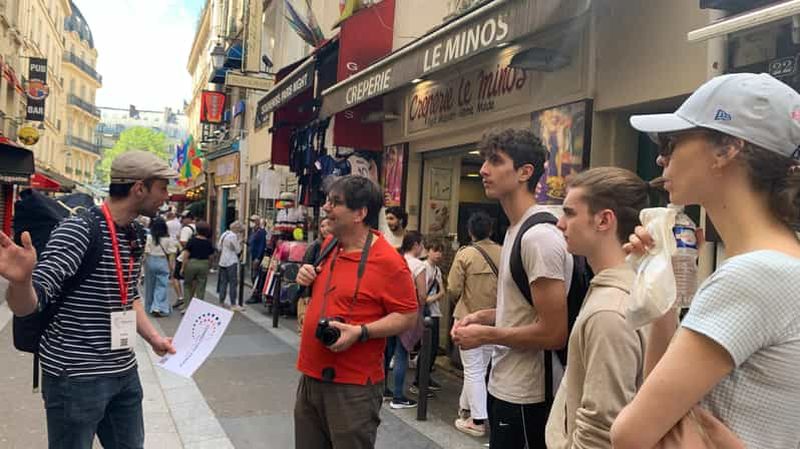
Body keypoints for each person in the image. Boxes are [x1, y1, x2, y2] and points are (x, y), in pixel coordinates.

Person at [610, 73, 800, 449]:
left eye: (672, 141)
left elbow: (630, 435)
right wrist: (660, 274)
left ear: (726, 149)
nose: (661, 157)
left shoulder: (753, 275)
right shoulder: (780, 263)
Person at [0, 150, 177, 449]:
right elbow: (30, 304)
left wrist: (153, 338)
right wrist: (21, 281)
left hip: (123, 373)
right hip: (75, 379)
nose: (167, 195)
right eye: (162, 187)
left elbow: (128, 295)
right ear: (139, 188)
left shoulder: (135, 233)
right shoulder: (79, 230)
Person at [452, 128, 573, 449]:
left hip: (529, 393)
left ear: (525, 172)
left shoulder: (538, 237)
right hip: (507, 384)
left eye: (495, 161)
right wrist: (486, 316)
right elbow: (526, 310)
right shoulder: (516, 230)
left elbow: (553, 333)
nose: (483, 170)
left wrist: (485, 335)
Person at [294, 175, 419, 449]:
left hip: (352, 388)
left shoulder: (389, 262)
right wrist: (307, 277)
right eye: (328, 200)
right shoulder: (328, 246)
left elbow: (408, 315)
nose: (326, 207)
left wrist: (361, 332)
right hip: (311, 377)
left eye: (336, 202)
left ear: (360, 213)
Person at [542, 167, 649, 449]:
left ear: (603, 220)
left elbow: (601, 430)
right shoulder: (639, 289)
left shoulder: (610, 311)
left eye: (570, 213)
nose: (560, 224)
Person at [448, 211, 501, 437]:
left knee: (473, 370)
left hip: (468, 318)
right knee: (481, 368)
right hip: (495, 319)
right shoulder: (503, 252)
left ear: (470, 232)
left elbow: (453, 289)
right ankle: (466, 409)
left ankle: (478, 421)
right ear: (490, 230)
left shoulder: (465, 254)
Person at [384, 231, 427, 410]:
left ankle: (383, 388)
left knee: (387, 352)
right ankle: (398, 396)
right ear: (416, 245)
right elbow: (422, 294)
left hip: (390, 310)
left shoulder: (395, 259)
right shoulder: (419, 265)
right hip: (408, 311)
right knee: (402, 353)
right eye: (422, 244)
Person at [411, 237, 445, 397]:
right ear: (428, 251)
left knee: (433, 349)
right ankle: (418, 382)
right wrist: (433, 298)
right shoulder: (423, 267)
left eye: (440, 251)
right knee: (426, 348)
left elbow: (443, 291)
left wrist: (436, 297)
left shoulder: (437, 270)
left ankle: (426, 378)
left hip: (434, 312)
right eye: (435, 250)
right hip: (426, 313)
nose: (438, 254)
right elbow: (421, 295)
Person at [297, 217, 332, 332]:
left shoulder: (335, 246)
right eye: (322, 226)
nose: (325, 229)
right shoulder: (315, 246)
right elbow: (305, 269)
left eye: (328, 225)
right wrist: (306, 294)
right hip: (312, 292)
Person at [144, 216, 179, 317]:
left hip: (150, 261)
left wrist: (143, 266)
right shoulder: (168, 239)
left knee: (150, 285)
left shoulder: (150, 237)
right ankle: (157, 307)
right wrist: (171, 267)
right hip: (162, 261)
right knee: (162, 285)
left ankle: (149, 306)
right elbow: (172, 254)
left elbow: (146, 252)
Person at [180, 221, 214, 302]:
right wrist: (209, 266)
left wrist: (182, 267)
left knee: (187, 285)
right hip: (204, 264)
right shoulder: (209, 242)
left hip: (192, 263)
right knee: (201, 286)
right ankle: (199, 307)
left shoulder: (192, 241)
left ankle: (187, 305)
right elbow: (211, 256)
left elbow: (186, 255)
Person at [217, 221, 244, 310]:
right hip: (231, 261)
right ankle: (233, 304)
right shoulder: (233, 236)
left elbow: (219, 247)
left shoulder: (224, 234)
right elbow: (238, 250)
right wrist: (240, 241)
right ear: (237, 229)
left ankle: (221, 302)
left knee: (223, 283)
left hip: (222, 261)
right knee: (233, 283)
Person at [173, 211, 196, 309]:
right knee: (192, 280)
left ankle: (181, 297)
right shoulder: (197, 227)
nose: (182, 220)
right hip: (195, 257)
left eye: (184, 218)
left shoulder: (186, 229)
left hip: (183, 257)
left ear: (188, 219)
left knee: (176, 277)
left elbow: (183, 242)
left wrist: (187, 248)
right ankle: (191, 299)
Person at [248, 214, 267, 283]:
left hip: (257, 257)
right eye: (251, 220)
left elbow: (262, 245)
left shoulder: (261, 232)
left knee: (256, 274)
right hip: (252, 255)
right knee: (253, 273)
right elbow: (251, 241)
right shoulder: (253, 231)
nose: (251, 222)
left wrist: (258, 258)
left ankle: (256, 291)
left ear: (257, 222)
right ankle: (254, 289)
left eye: (253, 221)